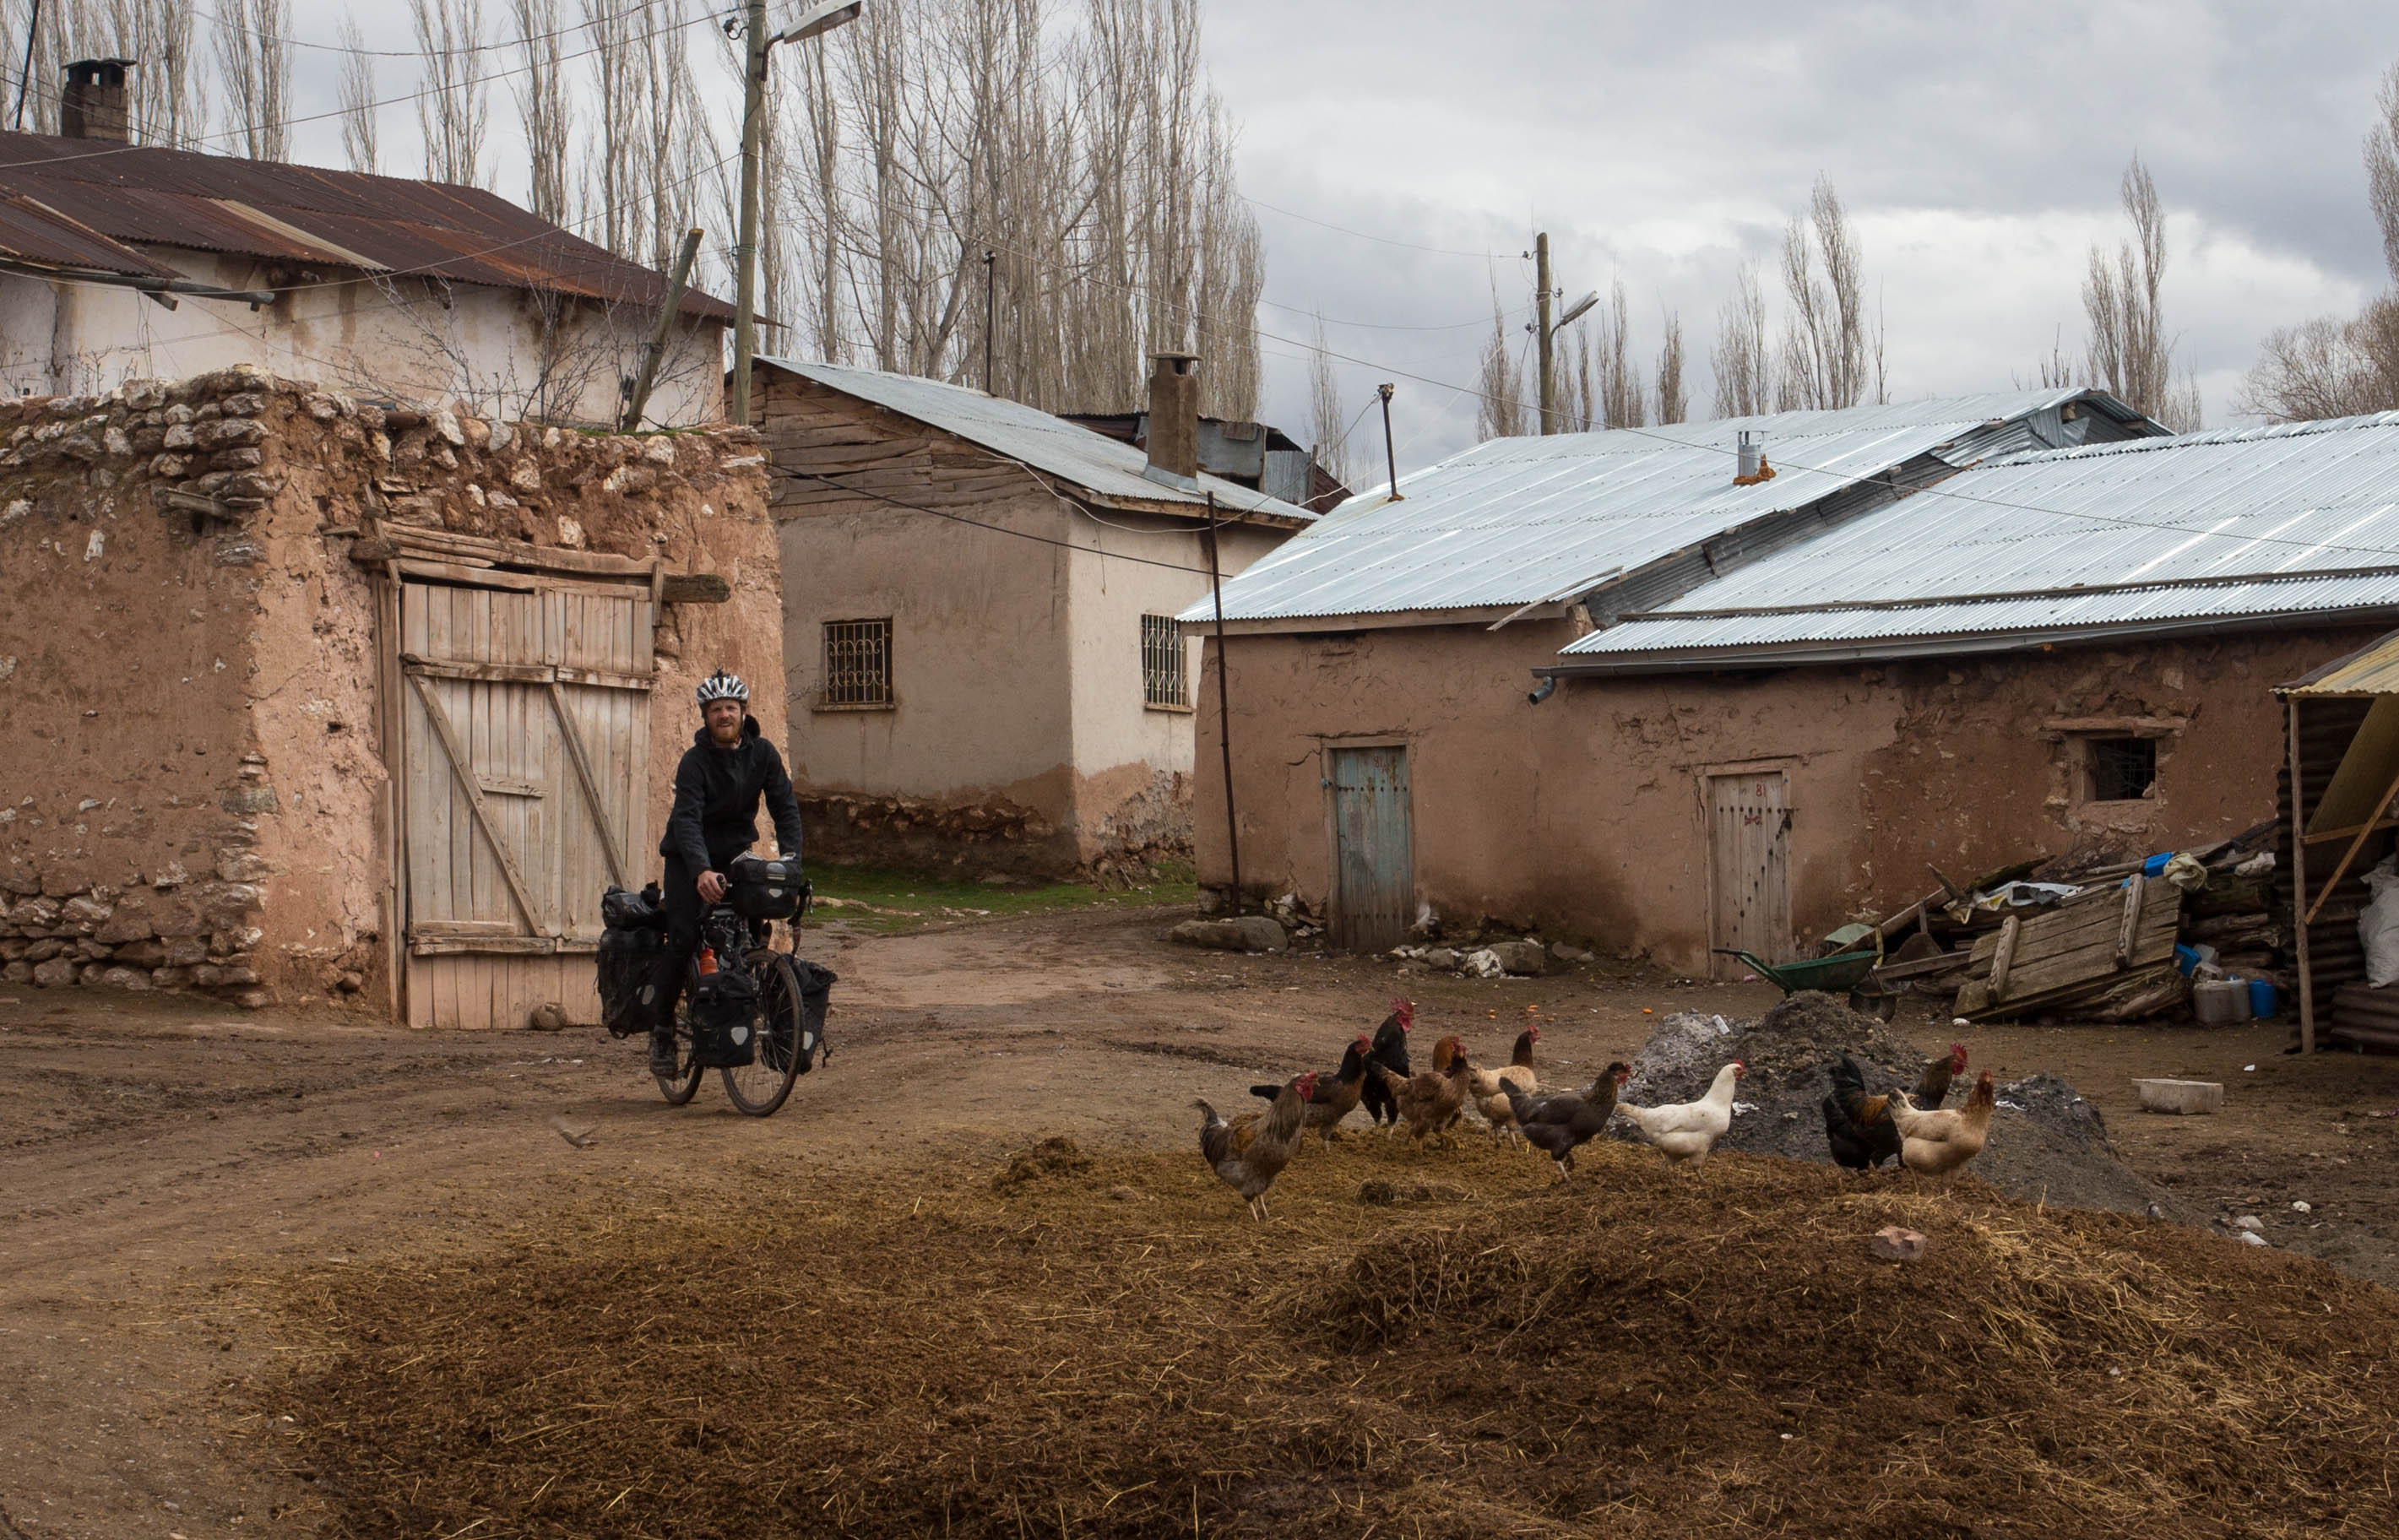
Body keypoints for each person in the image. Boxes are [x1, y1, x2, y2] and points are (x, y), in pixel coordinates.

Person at [645, 670, 805, 1076]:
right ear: (705, 715)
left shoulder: (763, 754)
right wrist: (700, 870)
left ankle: (757, 1017)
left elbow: (784, 806)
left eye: (730, 707)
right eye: (715, 709)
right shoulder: (694, 762)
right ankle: (663, 1031)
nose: (723, 715)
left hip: (735, 855)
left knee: (755, 931)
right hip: (688, 859)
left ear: (743, 712)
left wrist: (791, 859)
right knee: (681, 938)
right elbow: (687, 820)